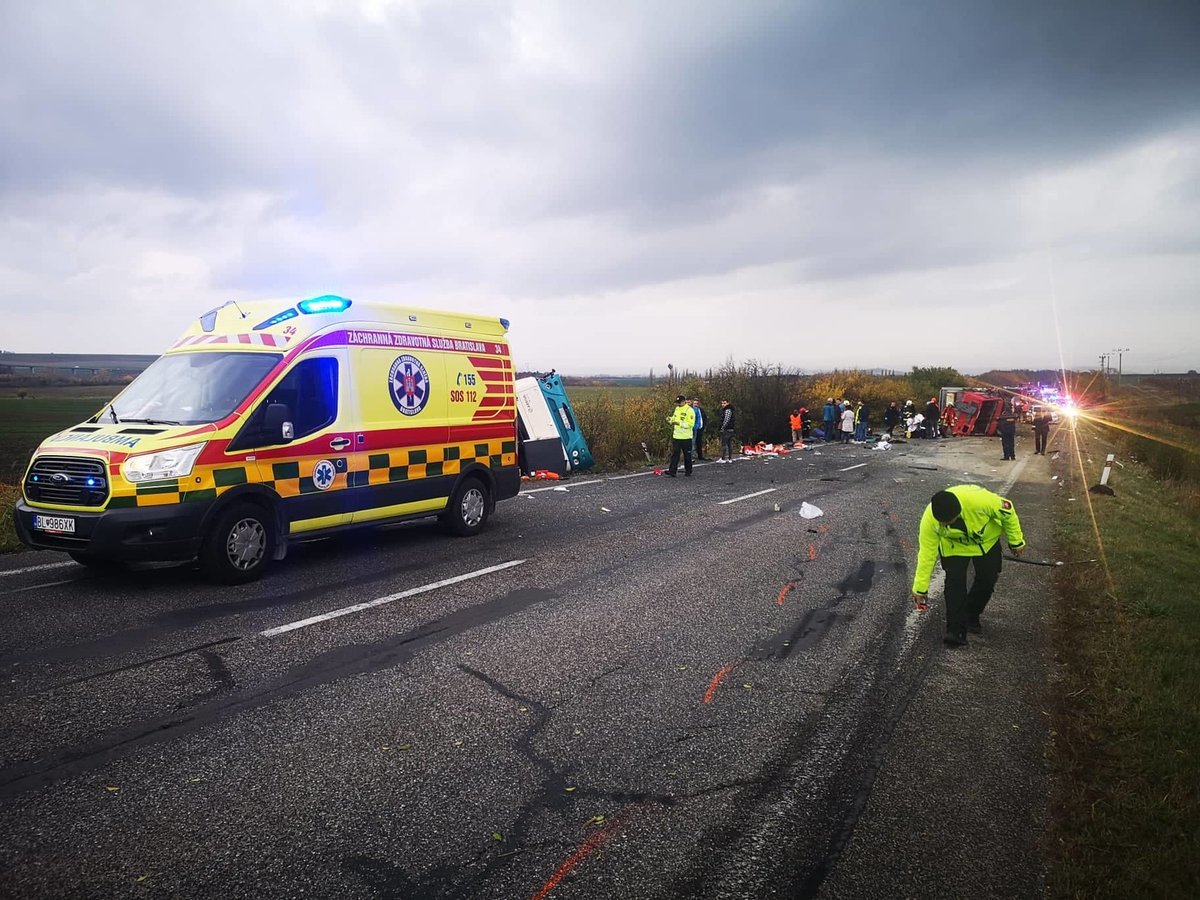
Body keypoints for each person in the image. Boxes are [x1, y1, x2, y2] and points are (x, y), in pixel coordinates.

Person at [911, 485, 1026, 647]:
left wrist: (1016, 542)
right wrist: (920, 588)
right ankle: (955, 631)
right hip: (954, 547)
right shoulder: (929, 520)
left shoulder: (980, 501)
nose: (945, 526)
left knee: (987, 580)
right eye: (942, 523)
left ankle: (972, 614)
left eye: (948, 522)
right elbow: (926, 554)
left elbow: (1008, 512)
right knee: (954, 584)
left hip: (986, 542)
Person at [666, 395, 696, 476]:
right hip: (676, 436)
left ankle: (688, 471)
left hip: (686, 437)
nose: (678, 404)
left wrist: (679, 423)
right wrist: (670, 419)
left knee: (687, 455)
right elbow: (674, 418)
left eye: (679, 403)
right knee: (675, 454)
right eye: (677, 403)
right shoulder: (677, 409)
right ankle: (672, 471)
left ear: (684, 401)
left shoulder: (690, 410)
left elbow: (690, 424)